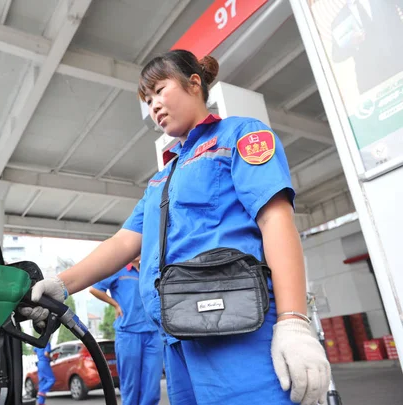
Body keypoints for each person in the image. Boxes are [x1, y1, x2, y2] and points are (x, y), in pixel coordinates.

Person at [20, 49, 330, 405]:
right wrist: (61, 285)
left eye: (159, 90)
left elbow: (275, 220)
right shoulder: (160, 180)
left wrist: (293, 322)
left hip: (237, 330)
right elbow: (122, 243)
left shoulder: (241, 135)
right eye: (147, 100)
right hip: (176, 337)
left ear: (194, 83)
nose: (153, 106)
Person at [89, 256, 163, 405]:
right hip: (128, 333)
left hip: (154, 334)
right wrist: (115, 304)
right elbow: (94, 289)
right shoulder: (118, 269)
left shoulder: (147, 271)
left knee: (152, 389)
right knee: (131, 387)